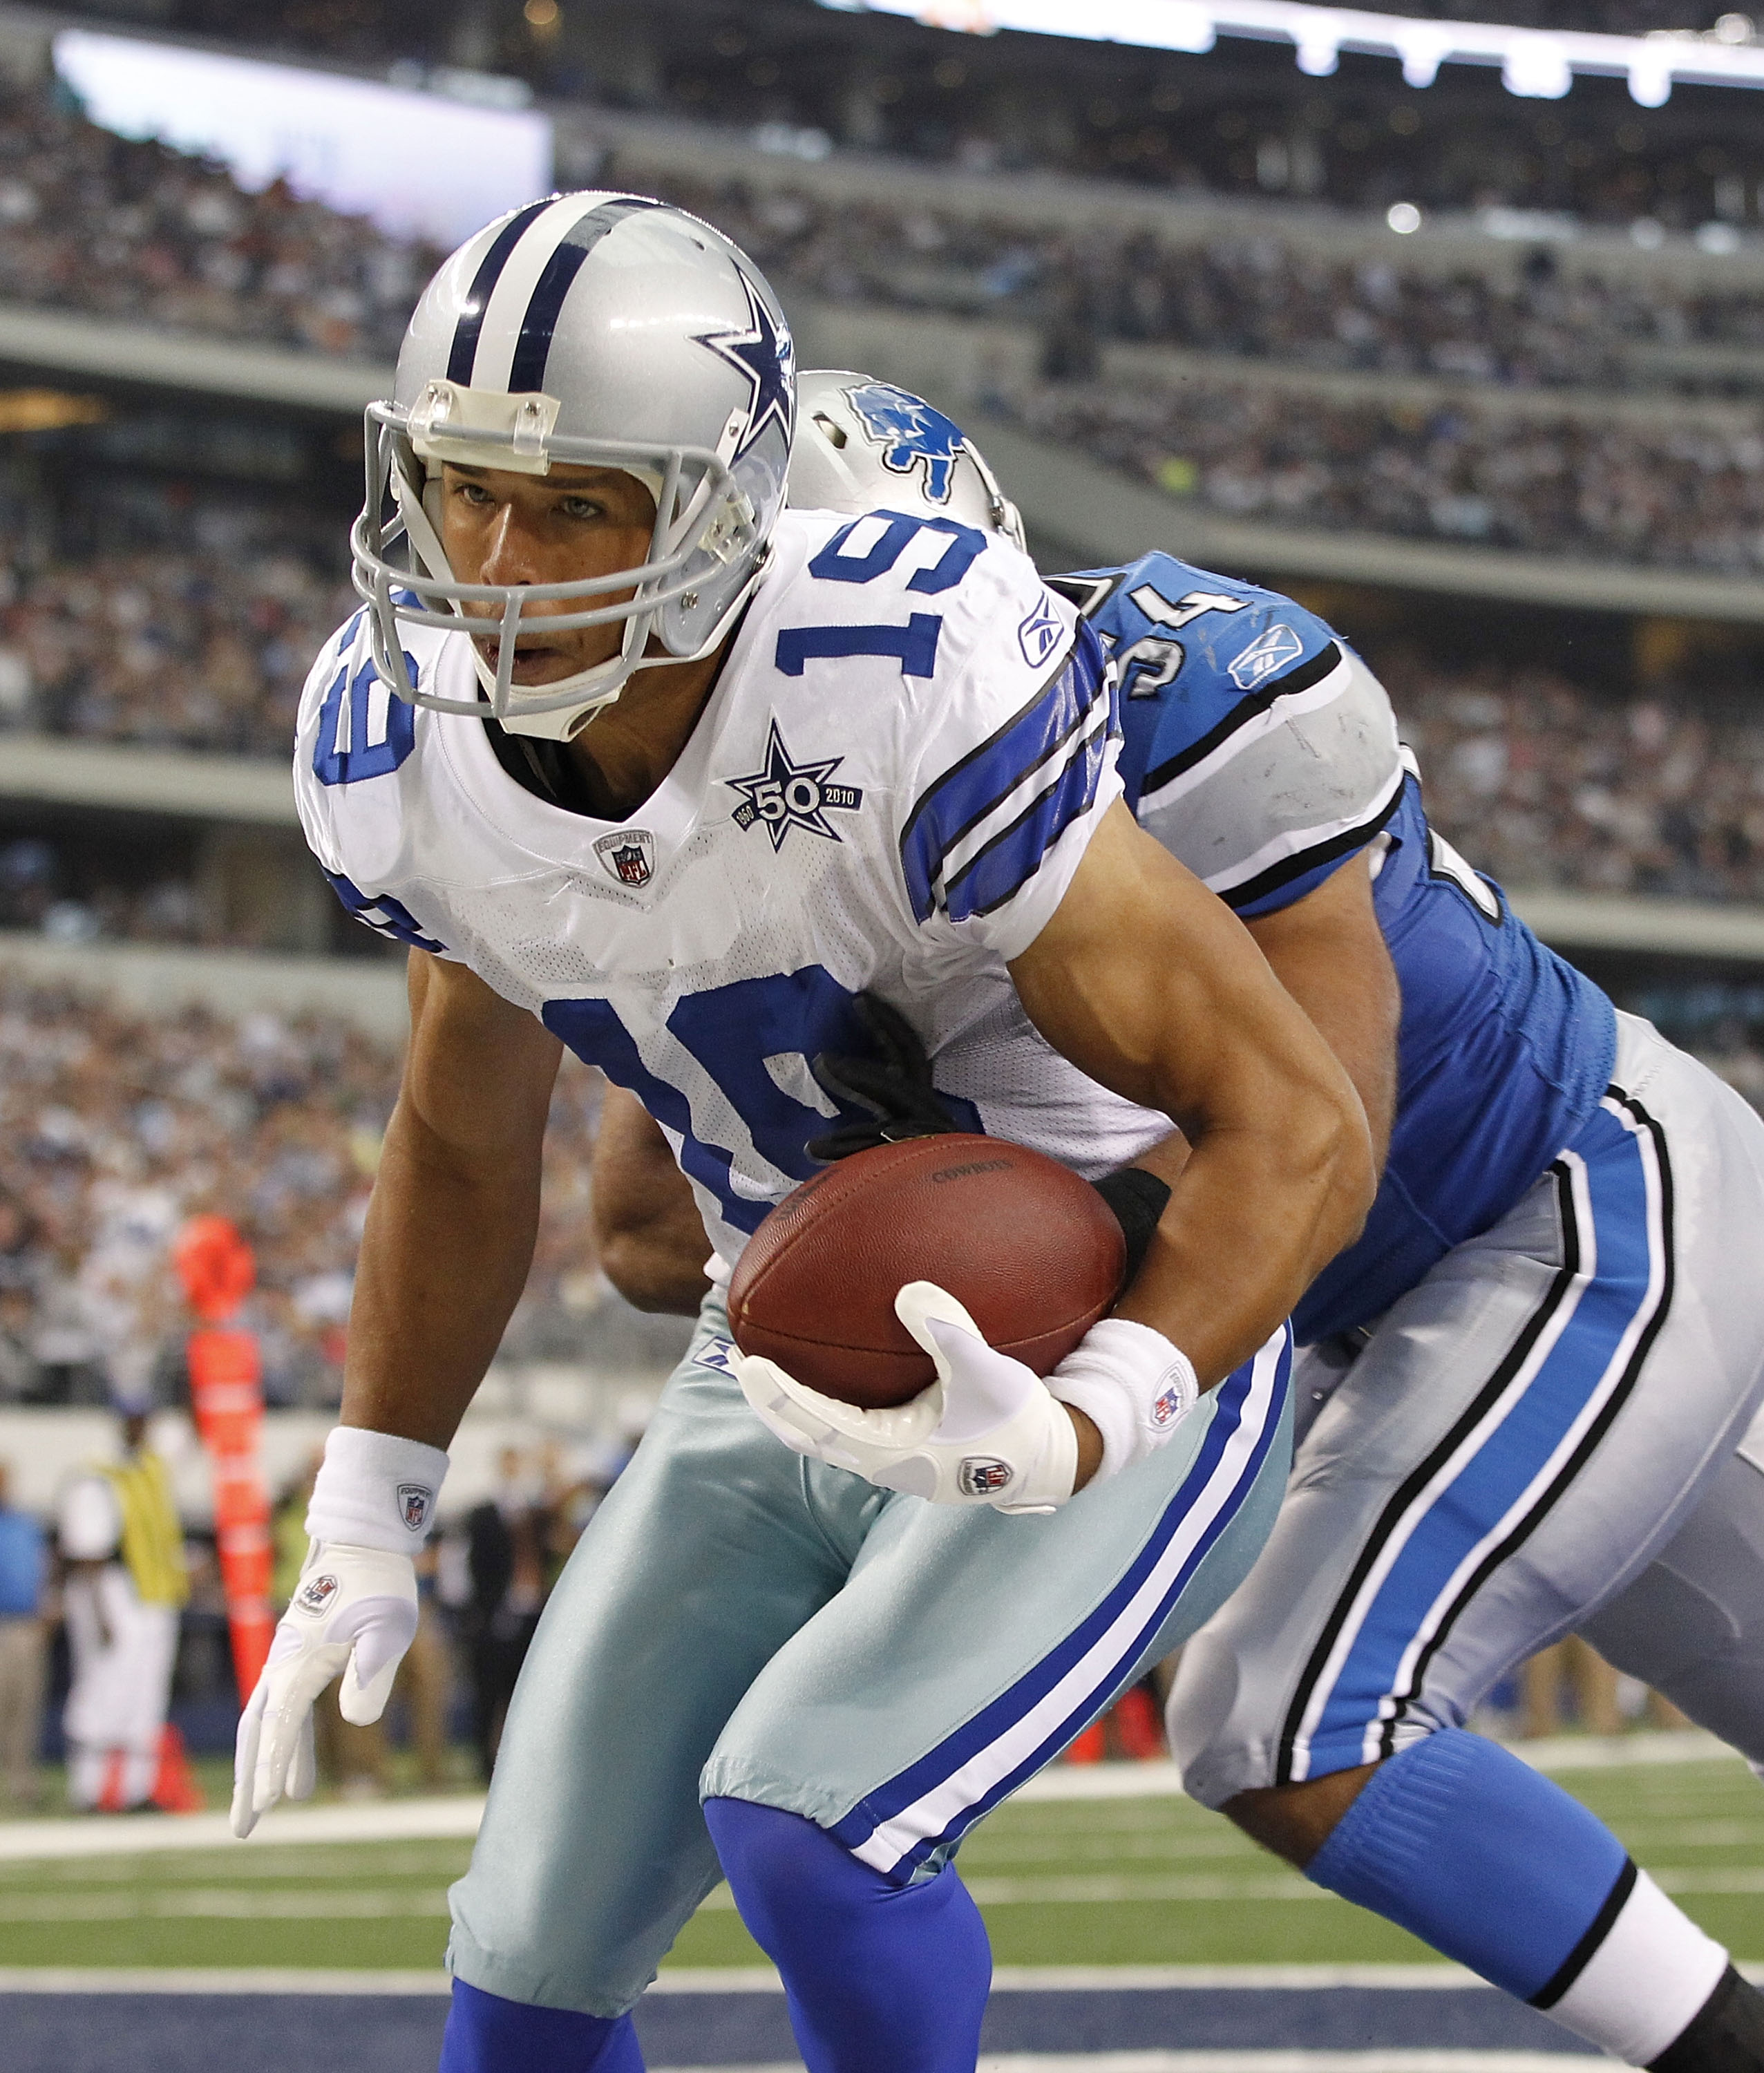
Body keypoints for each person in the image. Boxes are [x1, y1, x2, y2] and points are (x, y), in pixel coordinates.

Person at [229, 196, 1375, 2073]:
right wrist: (370, 1497)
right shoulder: (393, 743)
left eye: (577, 504)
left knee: (816, 1822)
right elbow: (459, 1133)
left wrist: (1107, 1400)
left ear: (725, 526)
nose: (494, 559)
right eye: (461, 486)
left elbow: (1298, 1124)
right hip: (766, 1349)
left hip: (1090, 1316)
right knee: (521, 1960)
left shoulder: (895, 671)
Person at [594, 372, 1764, 2071]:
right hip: (1372, 1316)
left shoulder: (1185, 691)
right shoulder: (760, 828)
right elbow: (640, 1228)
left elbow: (1326, 1130)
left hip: (1567, 1192)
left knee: (1279, 1708)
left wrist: (1034, 1269)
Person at [58, 1403, 189, 1811]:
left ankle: (136, 1790)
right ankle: (88, 1790)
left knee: (144, 1697)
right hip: (112, 1591)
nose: (140, 1427)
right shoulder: (97, 1476)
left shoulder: (149, 1468)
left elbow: (190, 1433)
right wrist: (101, 1615)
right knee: (102, 1689)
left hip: (153, 1593)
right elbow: (87, 1554)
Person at [0, 1459, 47, 1806]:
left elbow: (42, 1571)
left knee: (26, 1708)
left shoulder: (24, 1525)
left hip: (26, 1627)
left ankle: (22, 1782)